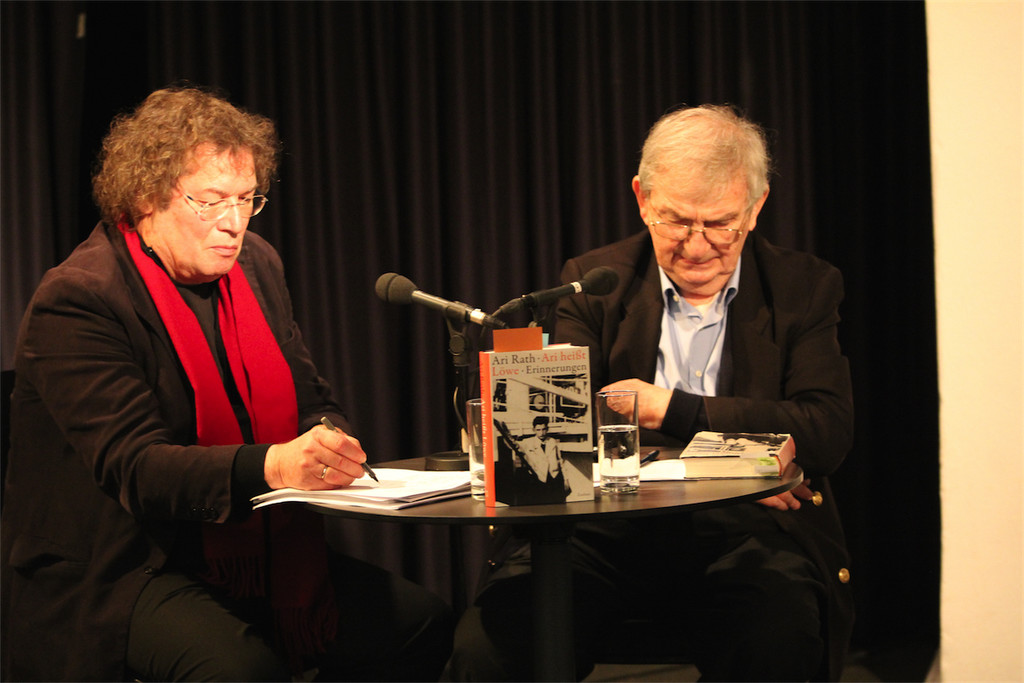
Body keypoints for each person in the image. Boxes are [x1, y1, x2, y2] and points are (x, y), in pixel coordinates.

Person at [0, 85, 453, 682]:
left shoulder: (256, 264)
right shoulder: (81, 297)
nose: (233, 223)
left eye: (247, 199)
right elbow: (138, 467)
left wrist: (327, 439)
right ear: (146, 196)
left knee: (422, 623)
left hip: (257, 550)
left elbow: (310, 398)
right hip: (126, 566)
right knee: (242, 670)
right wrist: (275, 465)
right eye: (211, 201)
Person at [446, 105, 854, 681]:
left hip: (745, 530)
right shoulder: (592, 282)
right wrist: (734, 464)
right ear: (642, 198)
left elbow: (824, 431)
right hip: (603, 527)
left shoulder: (804, 287)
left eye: (721, 224)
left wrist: (671, 409)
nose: (697, 246)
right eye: (676, 221)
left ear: (756, 207)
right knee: (490, 646)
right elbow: (563, 435)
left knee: (778, 636)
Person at [514, 416, 569, 502]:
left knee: (556, 502)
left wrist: (566, 480)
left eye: (544, 429)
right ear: (533, 430)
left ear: (547, 429)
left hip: (554, 478)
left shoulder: (552, 441)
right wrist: (507, 435)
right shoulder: (527, 442)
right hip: (538, 479)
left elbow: (560, 461)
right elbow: (513, 445)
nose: (541, 433)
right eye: (538, 430)